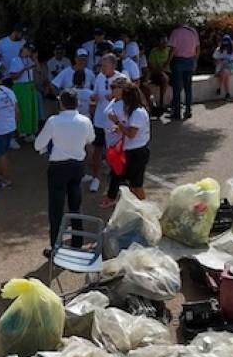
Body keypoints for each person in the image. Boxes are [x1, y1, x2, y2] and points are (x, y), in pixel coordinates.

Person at [35, 89, 95, 257]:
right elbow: (90, 139)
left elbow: (38, 144)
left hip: (58, 167)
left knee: (56, 209)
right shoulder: (85, 120)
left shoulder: (54, 121)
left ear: (61, 103)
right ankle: (77, 243)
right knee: (76, 205)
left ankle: (56, 247)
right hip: (77, 165)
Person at [104, 77, 152, 207]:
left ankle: (145, 209)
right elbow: (127, 130)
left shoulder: (138, 113)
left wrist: (117, 122)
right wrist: (118, 128)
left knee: (136, 186)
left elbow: (131, 134)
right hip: (130, 152)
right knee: (129, 184)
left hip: (137, 153)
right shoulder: (132, 111)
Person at [87, 54, 120, 194]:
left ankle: (116, 180)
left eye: (105, 65)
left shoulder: (121, 79)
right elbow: (95, 94)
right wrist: (94, 97)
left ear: (113, 66)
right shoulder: (99, 77)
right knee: (97, 150)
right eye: (101, 65)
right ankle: (96, 178)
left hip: (114, 122)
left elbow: (129, 97)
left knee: (114, 151)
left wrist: (115, 96)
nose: (102, 68)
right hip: (100, 120)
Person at [4, 38, 39, 139]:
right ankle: (21, 131)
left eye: (30, 51)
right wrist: (24, 69)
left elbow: (38, 70)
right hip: (20, 87)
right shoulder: (15, 60)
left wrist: (35, 59)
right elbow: (13, 76)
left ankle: (31, 130)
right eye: (27, 50)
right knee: (22, 109)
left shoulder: (29, 60)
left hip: (29, 86)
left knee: (31, 109)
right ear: (23, 49)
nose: (29, 52)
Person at [166, 21, 200, 120]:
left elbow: (172, 50)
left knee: (177, 88)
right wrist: (195, 61)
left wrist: (168, 62)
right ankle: (188, 110)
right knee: (188, 88)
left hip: (178, 61)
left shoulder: (175, 32)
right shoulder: (193, 32)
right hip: (190, 61)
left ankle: (177, 112)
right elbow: (198, 48)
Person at [143, 34, 171, 116]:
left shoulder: (169, 51)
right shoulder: (154, 51)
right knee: (164, 79)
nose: (164, 44)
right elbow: (151, 65)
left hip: (167, 72)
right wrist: (159, 70)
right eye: (162, 42)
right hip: (157, 72)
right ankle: (161, 103)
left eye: (166, 42)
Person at [212, 34, 233, 101]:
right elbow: (215, 60)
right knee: (225, 75)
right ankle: (227, 93)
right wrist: (220, 61)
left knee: (225, 71)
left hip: (229, 68)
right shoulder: (218, 50)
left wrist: (226, 61)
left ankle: (220, 87)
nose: (225, 46)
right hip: (220, 67)